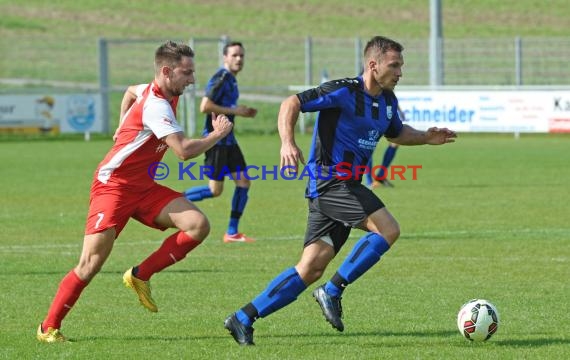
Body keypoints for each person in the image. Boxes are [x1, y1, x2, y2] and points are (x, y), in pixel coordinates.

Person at [223, 35, 456, 346]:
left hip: (343, 187)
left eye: (401, 65)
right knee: (388, 229)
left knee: (310, 267)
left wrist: (427, 137)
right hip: (331, 181)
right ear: (373, 65)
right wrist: (287, 142)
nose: (400, 72)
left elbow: (397, 133)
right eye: (395, 65)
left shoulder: (387, 101)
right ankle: (332, 291)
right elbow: (291, 103)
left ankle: (243, 318)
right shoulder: (344, 90)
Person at [36, 41, 233, 343]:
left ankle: (140, 275)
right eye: (187, 73)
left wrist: (121, 125)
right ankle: (48, 327)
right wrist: (216, 135)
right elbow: (182, 151)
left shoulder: (153, 90)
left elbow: (130, 90)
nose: (192, 80)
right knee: (90, 264)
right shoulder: (157, 105)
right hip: (113, 187)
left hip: (143, 187)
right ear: (166, 72)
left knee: (198, 225)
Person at [183, 41, 258, 244]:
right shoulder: (221, 77)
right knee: (215, 190)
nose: (239, 59)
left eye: (241, 55)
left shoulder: (231, 79)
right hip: (215, 140)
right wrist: (236, 111)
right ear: (225, 57)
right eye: (234, 55)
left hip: (229, 141)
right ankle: (176, 199)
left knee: (243, 182)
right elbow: (205, 106)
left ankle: (232, 233)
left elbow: (223, 107)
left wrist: (241, 111)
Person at [365, 104, 405, 188]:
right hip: (371, 114)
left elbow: (390, 95)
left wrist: (399, 111)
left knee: (395, 143)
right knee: (367, 145)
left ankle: (380, 176)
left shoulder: (388, 94)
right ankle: (369, 181)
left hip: (385, 115)